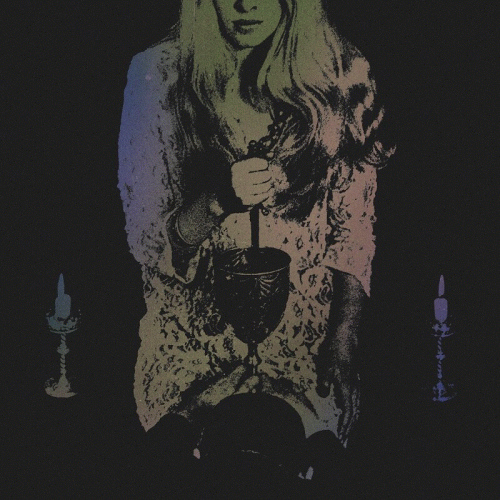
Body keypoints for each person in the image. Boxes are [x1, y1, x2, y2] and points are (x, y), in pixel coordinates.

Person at [118, 0, 395, 449]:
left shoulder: (344, 74)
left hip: (305, 359)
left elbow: (354, 232)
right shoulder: (158, 75)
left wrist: (343, 339)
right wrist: (216, 202)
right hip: (192, 360)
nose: (245, 4)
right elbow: (148, 243)